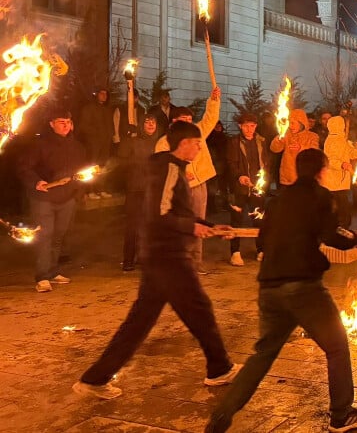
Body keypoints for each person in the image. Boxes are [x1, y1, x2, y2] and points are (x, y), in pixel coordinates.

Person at [204, 149, 357, 433]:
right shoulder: (321, 196)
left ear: (296, 170)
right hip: (303, 287)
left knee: (262, 355)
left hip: (270, 287)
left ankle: (221, 416)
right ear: (322, 171)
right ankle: (342, 414)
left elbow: (264, 239)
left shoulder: (277, 200)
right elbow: (334, 235)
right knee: (336, 347)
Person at [72, 121, 240, 400]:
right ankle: (219, 368)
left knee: (140, 322)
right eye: (197, 143)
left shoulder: (172, 168)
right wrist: (191, 227)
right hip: (167, 255)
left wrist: (210, 226)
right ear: (184, 144)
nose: (199, 148)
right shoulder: (169, 169)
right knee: (199, 311)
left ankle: (94, 379)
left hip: (161, 255)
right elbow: (159, 214)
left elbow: (177, 211)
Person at [17, 108, 88, 292]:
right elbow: (24, 167)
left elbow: (81, 172)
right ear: (51, 124)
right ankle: (42, 277)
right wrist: (36, 181)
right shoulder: (40, 144)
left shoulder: (77, 147)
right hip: (44, 198)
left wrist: (79, 191)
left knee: (59, 236)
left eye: (68, 122)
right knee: (45, 236)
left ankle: (52, 271)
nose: (66, 126)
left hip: (67, 198)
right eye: (61, 122)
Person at [154, 86, 222, 272]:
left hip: (199, 184)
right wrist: (182, 175)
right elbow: (162, 167)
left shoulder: (198, 132)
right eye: (185, 121)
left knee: (199, 222)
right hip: (178, 189)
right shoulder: (164, 142)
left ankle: (196, 262)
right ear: (174, 122)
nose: (189, 125)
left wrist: (214, 100)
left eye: (191, 121)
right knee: (181, 225)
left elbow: (210, 118)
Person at [226, 113, 269, 266]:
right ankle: (235, 252)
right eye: (246, 126)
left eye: (252, 126)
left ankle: (261, 250)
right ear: (240, 126)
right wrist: (239, 176)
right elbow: (231, 163)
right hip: (239, 188)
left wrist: (263, 182)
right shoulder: (234, 142)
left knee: (259, 218)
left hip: (257, 187)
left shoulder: (261, 141)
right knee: (236, 219)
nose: (249, 129)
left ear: (256, 126)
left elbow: (266, 163)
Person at [118, 113, 159, 271]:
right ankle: (128, 259)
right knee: (133, 226)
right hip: (136, 189)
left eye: (153, 122)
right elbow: (122, 161)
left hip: (153, 190)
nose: (150, 124)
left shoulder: (160, 143)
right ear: (142, 125)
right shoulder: (133, 142)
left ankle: (144, 257)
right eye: (147, 122)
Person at [322, 115, 357, 227]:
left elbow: (350, 153)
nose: (344, 127)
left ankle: (342, 228)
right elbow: (329, 160)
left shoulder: (342, 140)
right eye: (342, 125)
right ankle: (340, 230)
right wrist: (342, 164)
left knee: (343, 211)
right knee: (340, 212)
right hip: (333, 183)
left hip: (341, 181)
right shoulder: (331, 141)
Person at [78, 88, 115, 199]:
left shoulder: (107, 109)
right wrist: (96, 134)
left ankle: (100, 189)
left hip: (105, 143)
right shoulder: (89, 108)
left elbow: (111, 124)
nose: (104, 96)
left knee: (103, 166)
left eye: (106, 94)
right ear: (96, 94)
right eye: (101, 93)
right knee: (92, 166)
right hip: (93, 143)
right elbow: (83, 126)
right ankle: (90, 190)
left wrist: (111, 134)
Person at [270, 109, 320, 187]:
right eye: (289, 123)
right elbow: (274, 149)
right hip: (287, 178)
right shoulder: (286, 134)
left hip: (305, 179)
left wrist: (301, 148)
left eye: (293, 123)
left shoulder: (312, 136)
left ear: (301, 123)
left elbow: (315, 152)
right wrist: (279, 139)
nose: (290, 126)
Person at [206, 121, 228, 214]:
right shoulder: (209, 139)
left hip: (223, 166)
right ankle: (211, 207)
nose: (218, 128)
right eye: (216, 126)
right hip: (212, 166)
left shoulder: (224, 138)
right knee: (212, 188)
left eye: (219, 126)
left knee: (223, 187)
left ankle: (225, 204)